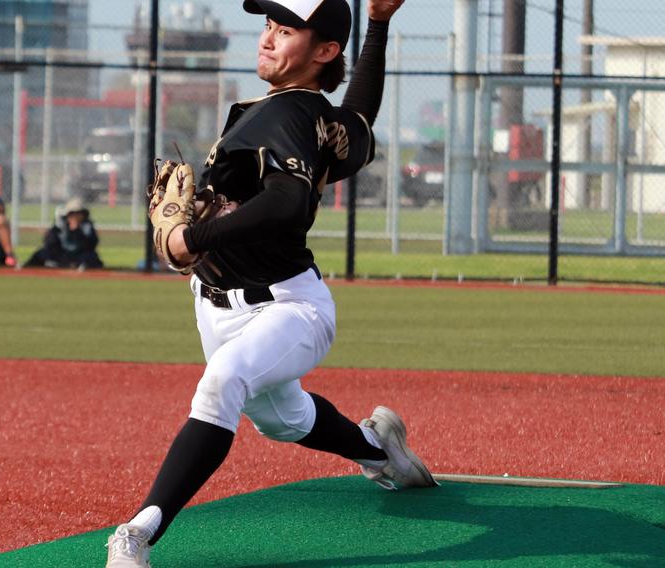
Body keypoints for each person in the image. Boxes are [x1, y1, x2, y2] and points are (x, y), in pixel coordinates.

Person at [105, 1, 436, 566]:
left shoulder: (285, 116)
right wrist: (377, 22)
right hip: (218, 308)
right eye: (268, 26)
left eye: (285, 31)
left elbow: (287, 203)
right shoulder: (311, 117)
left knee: (221, 383)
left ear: (325, 51)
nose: (266, 38)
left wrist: (193, 240)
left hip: (289, 306)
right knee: (287, 420)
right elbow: (359, 116)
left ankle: (137, 534)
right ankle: (379, 451)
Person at [24, 197, 104, 269]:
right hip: (61, 253)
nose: (75, 216)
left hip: (80, 254)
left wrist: (77, 232)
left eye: (78, 213)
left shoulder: (87, 226)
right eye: (73, 214)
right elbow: (49, 243)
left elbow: (92, 245)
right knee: (41, 253)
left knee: (91, 257)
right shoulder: (60, 225)